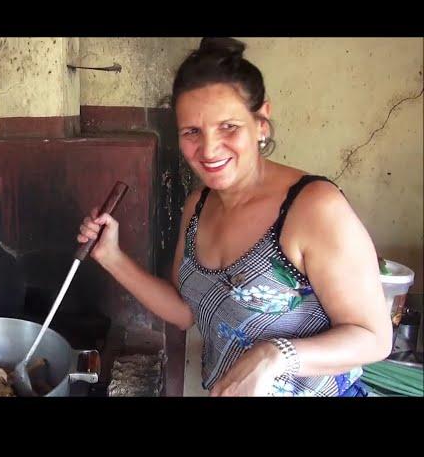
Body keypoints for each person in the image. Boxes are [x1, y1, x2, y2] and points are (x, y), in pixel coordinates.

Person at [76, 37, 392, 397]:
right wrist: (112, 257)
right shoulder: (198, 204)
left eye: (228, 127)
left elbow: (374, 338)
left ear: (261, 123)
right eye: (192, 132)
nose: (209, 149)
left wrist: (274, 354)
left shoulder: (313, 207)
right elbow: (185, 311)